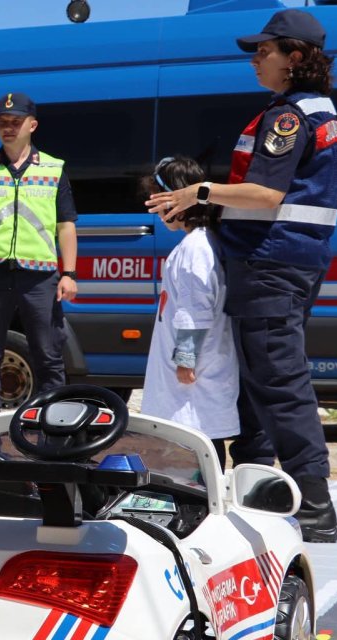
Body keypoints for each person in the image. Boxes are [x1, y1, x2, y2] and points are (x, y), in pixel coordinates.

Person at [146, 8, 337, 542]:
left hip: (270, 264)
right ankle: (262, 481)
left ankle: (316, 504)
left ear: (296, 58)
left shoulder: (289, 117)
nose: (256, 59)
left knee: (279, 381)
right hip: (278, 261)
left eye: (265, 50)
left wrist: (200, 193)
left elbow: (267, 195)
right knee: (257, 377)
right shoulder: (309, 111)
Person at [0, 92, 78, 418]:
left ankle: (53, 429)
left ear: (32, 125)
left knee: (48, 356)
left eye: (15, 122)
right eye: (3, 122)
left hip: (40, 277)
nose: (8, 128)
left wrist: (69, 273)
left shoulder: (53, 169)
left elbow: (66, 225)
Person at [139, 157, 238, 468]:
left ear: (176, 200)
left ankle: (203, 501)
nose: (153, 209)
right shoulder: (194, 244)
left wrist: (186, 358)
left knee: (198, 437)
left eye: (157, 199)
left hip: (196, 373)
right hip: (191, 373)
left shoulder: (196, 249)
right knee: (188, 435)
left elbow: (196, 308)